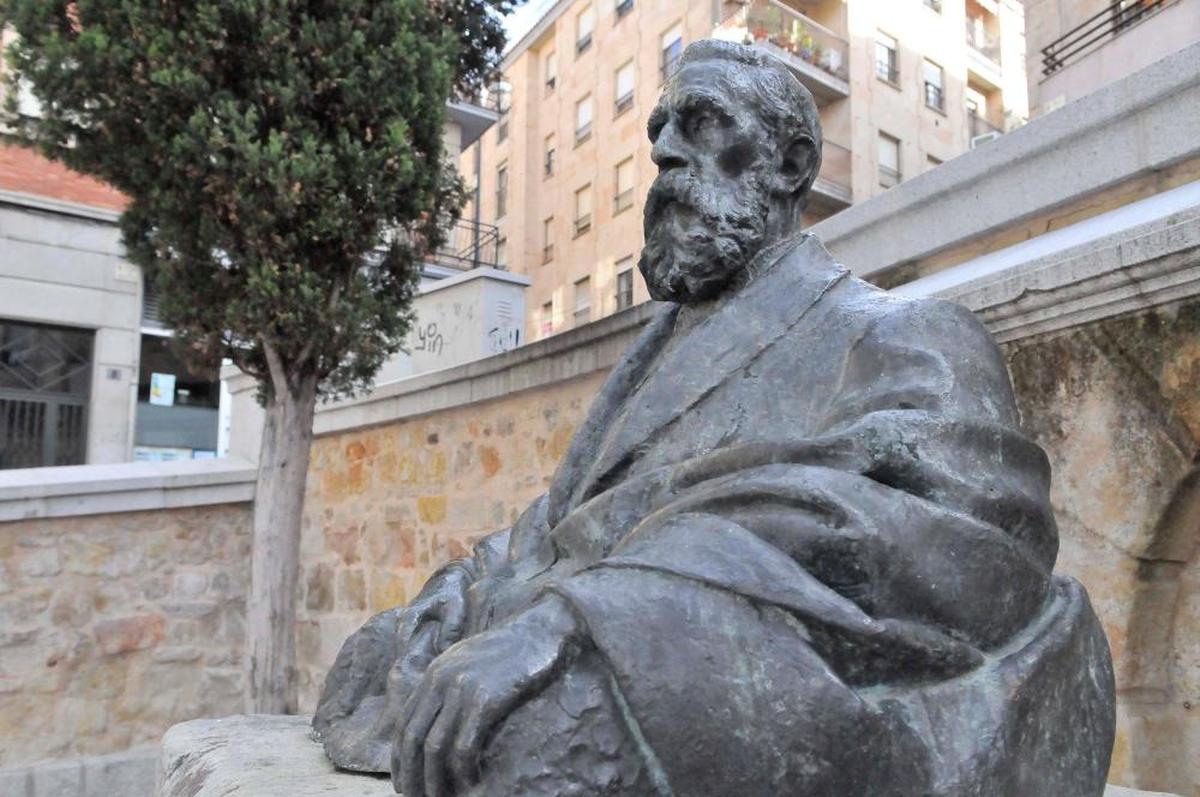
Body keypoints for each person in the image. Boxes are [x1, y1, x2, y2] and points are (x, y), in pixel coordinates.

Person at [315, 40, 1115, 797]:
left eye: (701, 125)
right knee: (377, 660)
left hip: (764, 671)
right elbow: (565, 525)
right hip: (637, 636)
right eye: (661, 130)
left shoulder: (904, 333)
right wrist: (462, 592)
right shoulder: (657, 350)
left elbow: (958, 540)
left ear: (791, 165)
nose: (664, 153)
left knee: (526, 740)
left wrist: (576, 615)